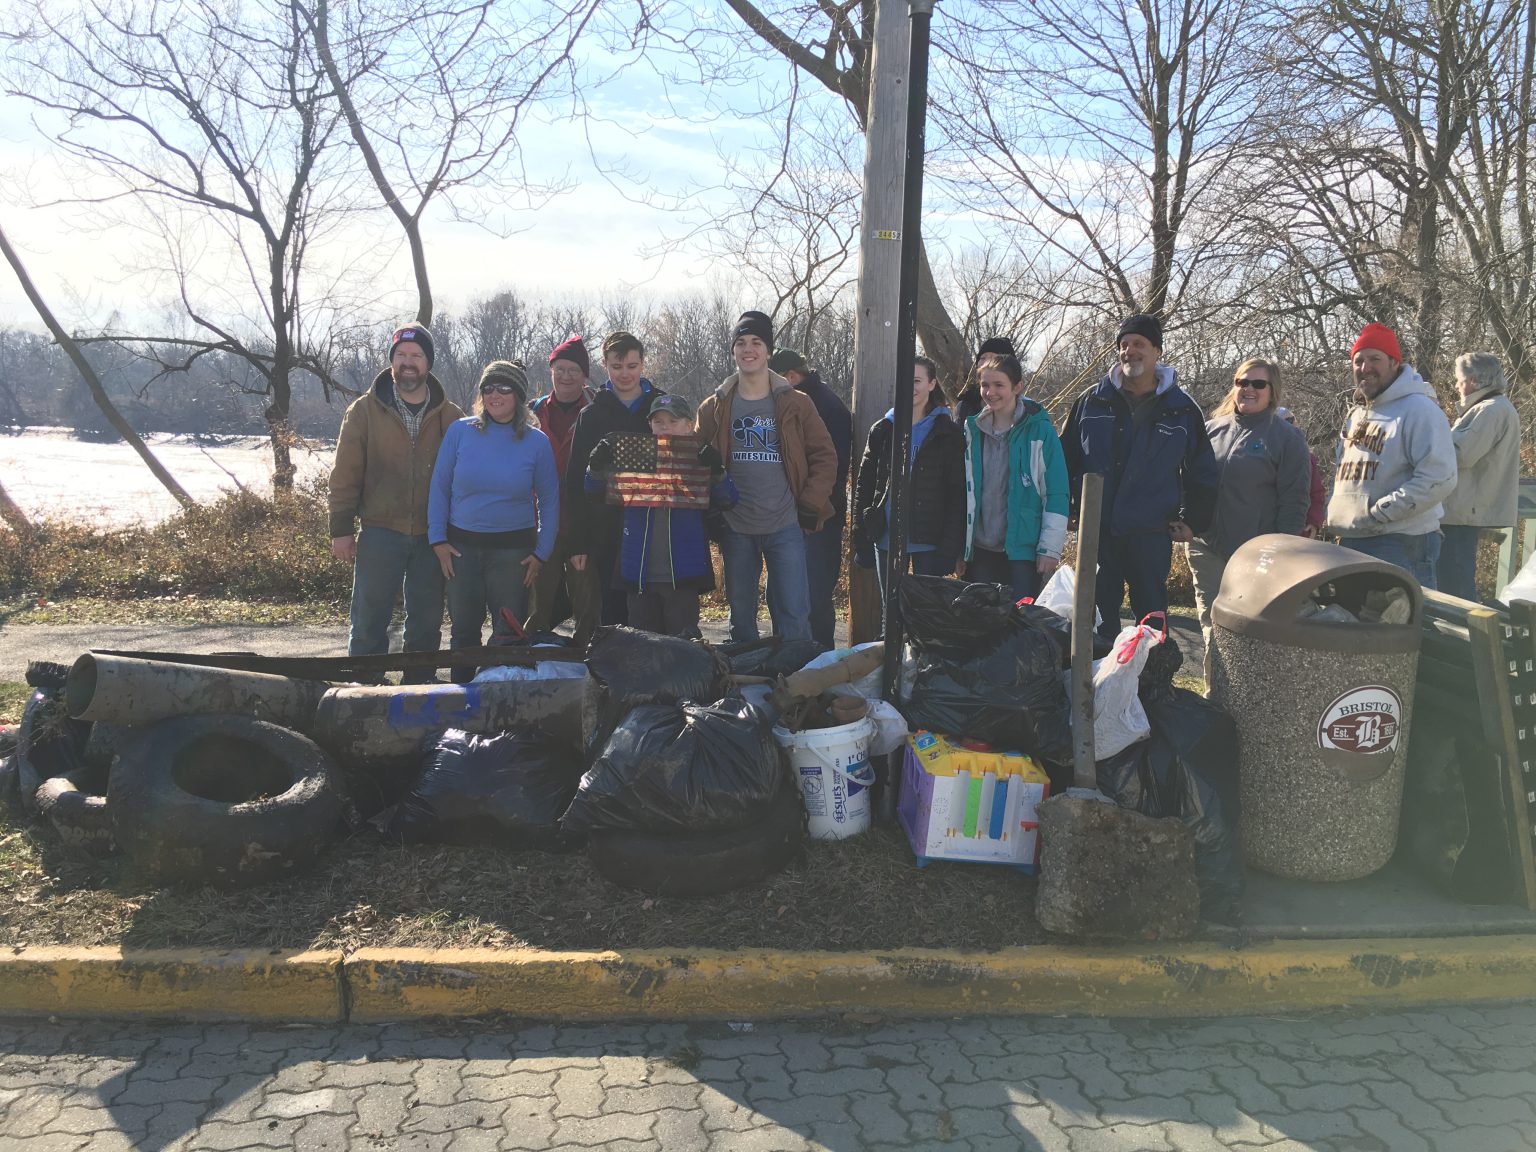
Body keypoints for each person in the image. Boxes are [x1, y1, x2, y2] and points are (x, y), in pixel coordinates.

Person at [1062, 313, 1218, 640]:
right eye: (1124, 345)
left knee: (1151, 620)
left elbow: (1201, 471)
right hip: (1097, 531)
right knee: (1096, 618)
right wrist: (1068, 511)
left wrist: (1193, 520)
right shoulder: (1091, 400)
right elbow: (1064, 460)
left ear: (1157, 351)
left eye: (1139, 344)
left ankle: (1150, 685)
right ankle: (1097, 686)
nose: (1129, 351)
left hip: (1150, 531)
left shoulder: (1182, 408)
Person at [329, 324, 463, 682]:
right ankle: (365, 686)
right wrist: (341, 529)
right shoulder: (364, 411)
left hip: (431, 535)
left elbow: (463, 479)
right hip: (379, 530)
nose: (408, 363)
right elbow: (345, 473)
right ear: (391, 362)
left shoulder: (451, 416)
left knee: (426, 620)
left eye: (416, 356)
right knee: (369, 617)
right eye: (401, 355)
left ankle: (419, 688)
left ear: (427, 363)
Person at [696, 310, 837, 642]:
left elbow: (824, 456)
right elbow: (696, 463)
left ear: (768, 350)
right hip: (736, 527)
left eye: (756, 342)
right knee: (741, 618)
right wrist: (710, 507)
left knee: (794, 615)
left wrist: (810, 503)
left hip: (786, 524)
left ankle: (794, 687)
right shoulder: (713, 407)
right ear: (733, 350)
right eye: (741, 342)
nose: (748, 349)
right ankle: (746, 688)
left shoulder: (796, 403)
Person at [429, 361, 559, 682]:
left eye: (504, 388)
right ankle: (461, 701)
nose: (495, 395)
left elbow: (550, 500)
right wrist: (438, 541)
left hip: (513, 554)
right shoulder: (461, 431)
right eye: (488, 388)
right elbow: (440, 486)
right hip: (461, 552)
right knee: (464, 633)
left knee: (509, 635)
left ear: (518, 395)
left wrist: (542, 552)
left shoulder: (536, 442)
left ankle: (504, 706)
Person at [1187, 360, 1311, 672]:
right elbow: (1187, 482)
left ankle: (1246, 702)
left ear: (1273, 391)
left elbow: (1295, 501)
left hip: (1256, 557)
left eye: (1258, 384)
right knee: (1212, 628)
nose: (1248, 389)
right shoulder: (1211, 431)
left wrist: (1285, 555)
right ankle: (1214, 698)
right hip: (1206, 549)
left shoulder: (1286, 438)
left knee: (1247, 632)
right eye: (1242, 382)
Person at [584, 394, 738, 638]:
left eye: (673, 421)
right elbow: (594, 492)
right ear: (650, 425)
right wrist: (596, 466)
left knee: (685, 646)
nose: (664, 426)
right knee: (643, 647)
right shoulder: (634, 459)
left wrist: (717, 471)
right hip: (639, 573)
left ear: (689, 425)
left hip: (683, 574)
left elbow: (728, 499)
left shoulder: (700, 458)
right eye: (658, 421)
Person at [1326, 322, 1456, 589]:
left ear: (1394, 362)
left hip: (1401, 540)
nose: (1365, 368)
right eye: (1358, 360)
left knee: (1397, 626)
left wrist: (1381, 512)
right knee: (1351, 626)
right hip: (1353, 537)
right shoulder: (1357, 414)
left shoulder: (1419, 409)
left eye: (1375, 359)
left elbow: (1440, 477)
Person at [565, 331, 667, 626]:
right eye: (617, 366)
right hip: (606, 528)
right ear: (605, 365)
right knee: (613, 612)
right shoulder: (592, 414)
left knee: (655, 611)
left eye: (632, 366)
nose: (625, 374)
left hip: (655, 525)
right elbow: (574, 481)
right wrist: (578, 542)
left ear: (643, 364)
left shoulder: (662, 406)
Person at [852, 355, 967, 605]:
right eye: (905, 380)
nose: (910, 387)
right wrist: (861, 536)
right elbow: (865, 486)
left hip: (929, 538)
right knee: (890, 613)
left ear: (932, 384)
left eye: (917, 380)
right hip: (886, 534)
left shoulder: (948, 432)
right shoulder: (883, 429)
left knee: (925, 613)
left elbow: (956, 494)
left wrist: (950, 546)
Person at [959, 350, 1068, 602]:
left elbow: (1056, 492)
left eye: (999, 385)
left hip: (1024, 549)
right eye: (985, 385)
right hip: (982, 547)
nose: (990, 392)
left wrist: (1049, 548)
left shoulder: (1040, 431)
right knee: (982, 621)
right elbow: (964, 491)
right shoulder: (972, 431)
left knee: (1019, 621)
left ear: (1017, 387)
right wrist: (961, 548)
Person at [767, 347, 853, 648]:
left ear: (790, 377)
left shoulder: (823, 406)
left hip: (817, 516)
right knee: (779, 591)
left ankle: (819, 664)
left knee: (814, 594)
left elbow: (832, 466)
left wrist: (807, 505)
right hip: (783, 515)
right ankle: (783, 656)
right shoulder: (785, 400)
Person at [527, 335, 600, 644]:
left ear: (584, 375)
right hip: (540, 521)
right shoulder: (532, 412)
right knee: (536, 603)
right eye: (560, 369)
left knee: (587, 604)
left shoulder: (597, 410)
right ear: (551, 371)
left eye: (574, 370)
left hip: (582, 522)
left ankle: (587, 665)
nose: (567, 376)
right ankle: (533, 660)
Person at [1437, 352, 1521, 601]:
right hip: (1466, 511)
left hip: (1463, 513)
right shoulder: (1494, 408)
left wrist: (1433, 430)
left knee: (1456, 590)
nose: (1456, 385)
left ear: (1473, 380)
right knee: (1455, 582)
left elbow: (1461, 455)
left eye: (1459, 379)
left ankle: (1467, 636)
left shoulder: (1490, 410)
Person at [1278, 408, 1327, 538]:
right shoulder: (1261, 455)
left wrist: (1314, 521)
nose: (1291, 424)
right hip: (1265, 531)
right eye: (1284, 421)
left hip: (1298, 534)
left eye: (1291, 420)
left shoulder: (1307, 457)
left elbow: (1316, 494)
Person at [954, 336, 1015, 423]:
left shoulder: (1028, 411)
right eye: (982, 358)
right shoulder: (965, 405)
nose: (985, 363)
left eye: (993, 358)